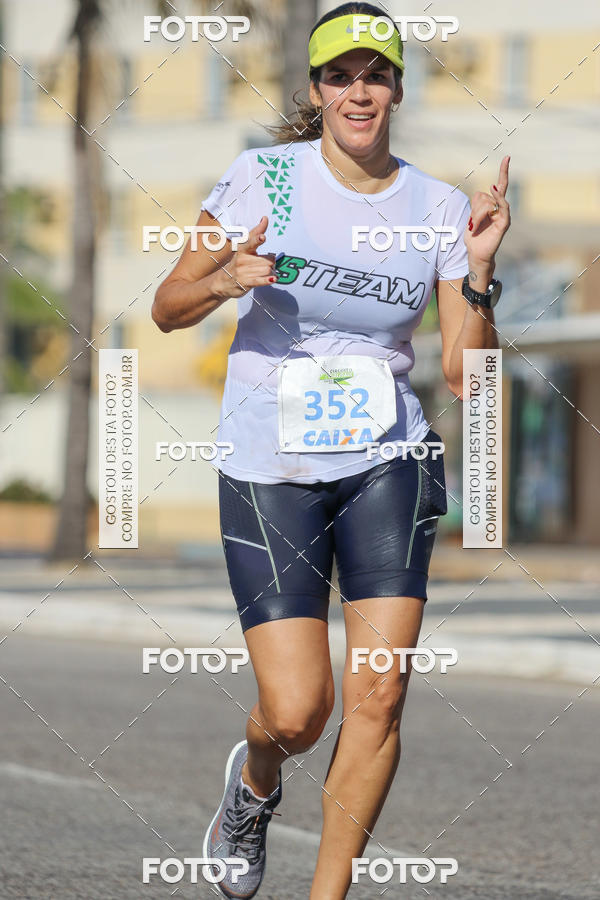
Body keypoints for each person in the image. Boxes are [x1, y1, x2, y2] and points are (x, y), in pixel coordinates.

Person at [151, 3, 510, 897]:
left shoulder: (438, 207)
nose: (360, 91)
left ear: (396, 86)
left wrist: (477, 274)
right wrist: (225, 277)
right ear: (317, 91)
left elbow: (471, 375)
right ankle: (255, 784)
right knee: (298, 709)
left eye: (376, 74)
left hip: (389, 461)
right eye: (341, 76)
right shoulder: (261, 179)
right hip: (270, 466)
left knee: (379, 696)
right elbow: (167, 305)